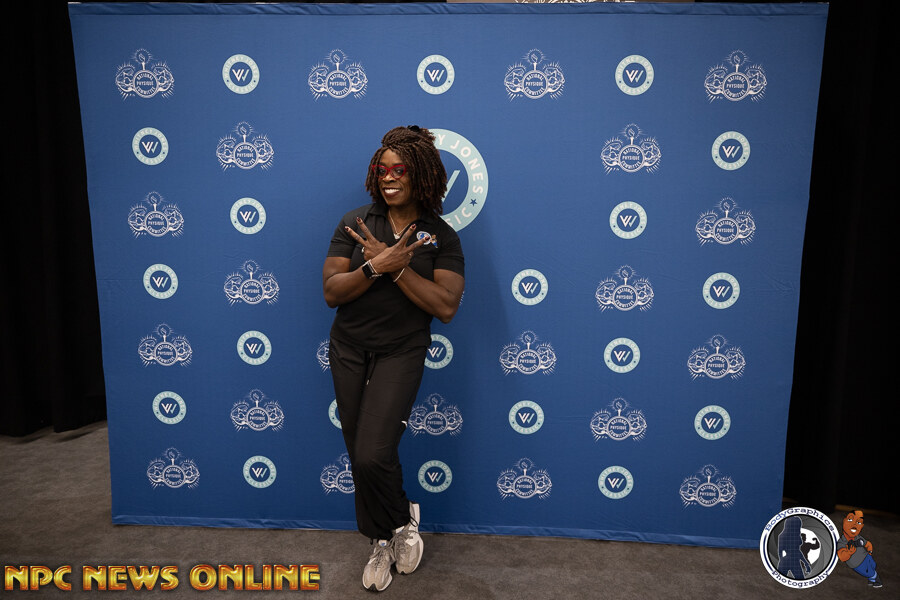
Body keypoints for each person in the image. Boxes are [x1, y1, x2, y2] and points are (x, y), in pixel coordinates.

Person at [322, 126, 465, 592]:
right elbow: (332, 292)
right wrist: (372, 266)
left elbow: (446, 306)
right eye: (381, 169)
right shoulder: (355, 222)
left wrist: (398, 267)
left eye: (399, 169)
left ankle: (396, 524)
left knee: (372, 453)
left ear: (420, 174)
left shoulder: (440, 237)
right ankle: (389, 533)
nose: (389, 177)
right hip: (349, 348)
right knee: (358, 455)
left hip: (402, 351)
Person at [838, 510, 883, 588]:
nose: (854, 524)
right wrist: (849, 553)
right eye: (850, 519)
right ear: (844, 521)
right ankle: (876, 579)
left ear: (861, 526)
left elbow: (867, 543)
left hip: (866, 556)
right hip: (857, 564)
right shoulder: (842, 541)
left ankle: (871, 579)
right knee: (869, 573)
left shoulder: (858, 537)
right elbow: (842, 556)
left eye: (858, 522)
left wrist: (870, 550)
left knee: (873, 566)